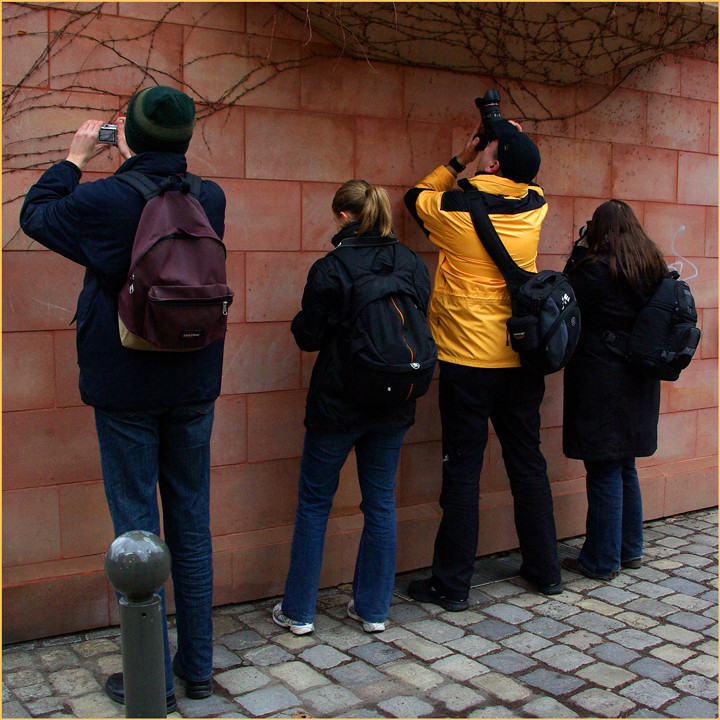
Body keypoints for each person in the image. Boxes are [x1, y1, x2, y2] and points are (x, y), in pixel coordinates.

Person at [19, 86, 226, 711]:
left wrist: (77, 157)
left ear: (126, 138)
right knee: (191, 522)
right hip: (193, 377)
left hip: (125, 383)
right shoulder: (209, 197)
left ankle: (150, 681)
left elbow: (37, 213)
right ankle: (197, 670)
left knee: (138, 527)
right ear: (186, 139)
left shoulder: (104, 198)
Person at [403, 117, 563, 611]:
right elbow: (528, 176)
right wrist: (507, 144)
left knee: (463, 473)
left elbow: (414, 197)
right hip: (521, 359)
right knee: (528, 463)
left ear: (489, 163)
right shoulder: (536, 206)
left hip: (467, 361)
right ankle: (545, 570)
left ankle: (451, 585)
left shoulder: (455, 207)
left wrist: (461, 158)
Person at [272, 180, 432, 635]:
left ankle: (299, 612)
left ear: (344, 215)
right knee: (380, 502)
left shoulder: (332, 267)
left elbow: (309, 337)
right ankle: (373, 609)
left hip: (338, 403)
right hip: (395, 400)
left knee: (315, 503)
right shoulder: (410, 262)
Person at [561, 200, 665, 580]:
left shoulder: (595, 270)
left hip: (601, 377)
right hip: (639, 377)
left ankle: (601, 560)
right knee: (625, 465)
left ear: (601, 230)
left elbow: (563, 293)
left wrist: (579, 249)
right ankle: (629, 549)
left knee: (604, 466)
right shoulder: (652, 266)